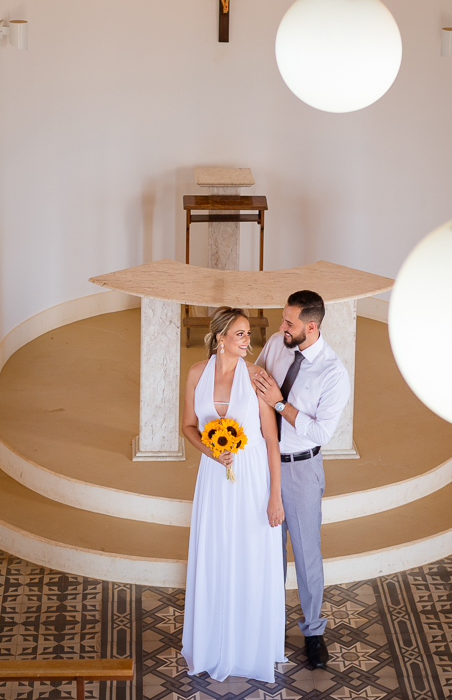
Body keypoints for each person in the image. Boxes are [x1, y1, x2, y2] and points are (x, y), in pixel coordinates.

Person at [180, 307, 286, 683]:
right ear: (220, 337)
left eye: (247, 334)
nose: (247, 340)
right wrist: (211, 452)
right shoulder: (197, 373)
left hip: (253, 476)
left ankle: (249, 648)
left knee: (250, 555)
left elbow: (271, 440)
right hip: (213, 477)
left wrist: (275, 496)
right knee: (215, 552)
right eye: (239, 334)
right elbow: (189, 426)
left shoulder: (257, 377)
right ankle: (212, 644)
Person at [251, 290, 350, 670]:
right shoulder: (278, 344)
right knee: (267, 549)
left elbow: (320, 432)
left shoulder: (333, 373)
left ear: (311, 326)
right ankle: (268, 624)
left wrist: (279, 404)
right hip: (263, 461)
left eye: (289, 323)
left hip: (301, 469)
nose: (281, 327)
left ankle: (313, 632)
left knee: (307, 554)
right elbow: (254, 377)